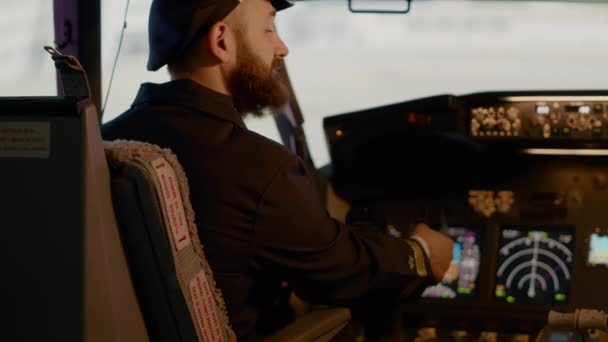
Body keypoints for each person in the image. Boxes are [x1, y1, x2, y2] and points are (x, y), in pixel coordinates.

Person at [102, 0, 454, 339]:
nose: (282, 48)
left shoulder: (106, 141)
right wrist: (422, 253)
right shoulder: (259, 168)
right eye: (269, 29)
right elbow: (343, 270)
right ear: (221, 40)